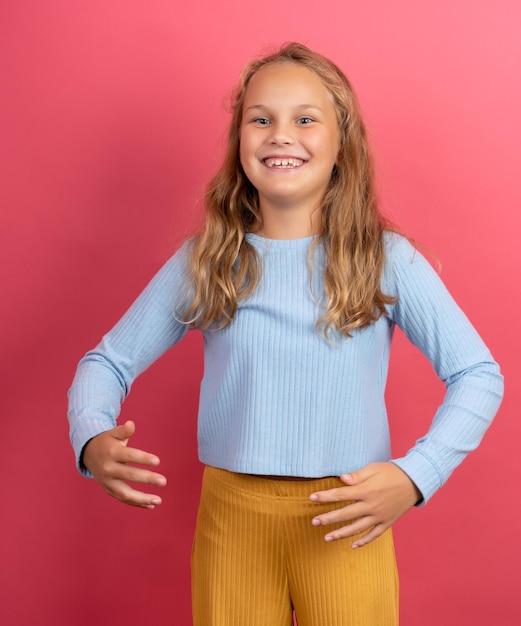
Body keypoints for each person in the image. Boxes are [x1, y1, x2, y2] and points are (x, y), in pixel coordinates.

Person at [68, 42, 503, 625]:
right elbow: (106, 362)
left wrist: (416, 476)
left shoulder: (385, 259)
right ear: (239, 141)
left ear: (341, 144)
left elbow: (479, 374)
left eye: (304, 118)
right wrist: (91, 437)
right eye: (260, 118)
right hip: (232, 522)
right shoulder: (207, 260)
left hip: (347, 517)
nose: (280, 134)